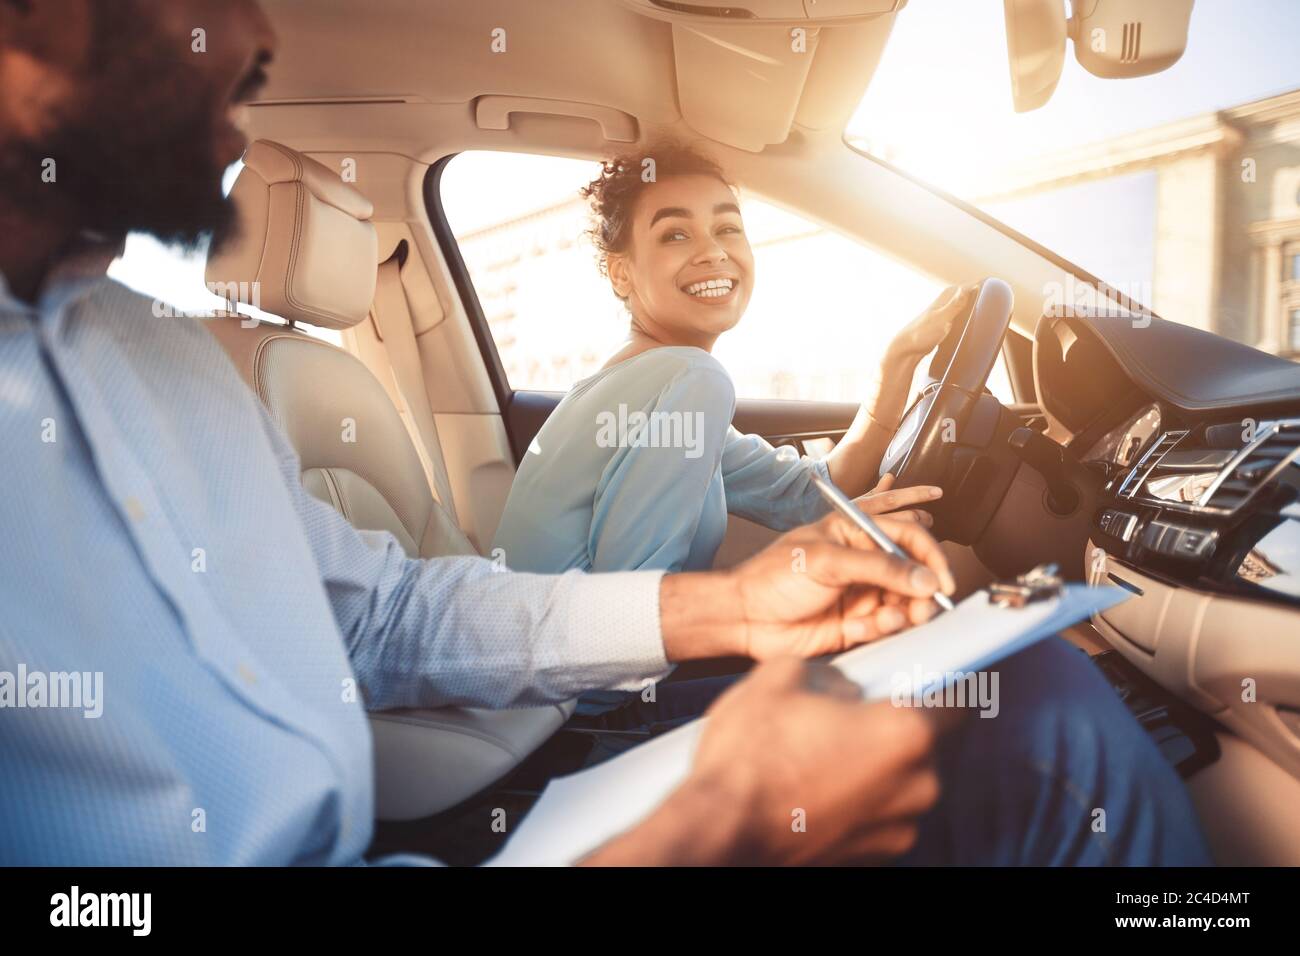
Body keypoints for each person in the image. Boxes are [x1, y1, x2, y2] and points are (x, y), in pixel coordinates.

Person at [0, 0, 1210, 866]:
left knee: (1020, 689)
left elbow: (379, 614)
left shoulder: (163, 356)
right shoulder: (674, 381)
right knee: (1039, 718)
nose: (256, 34)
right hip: (565, 739)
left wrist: (739, 603)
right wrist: (694, 832)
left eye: (728, 226)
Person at [492, 140, 975, 580]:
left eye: (727, 227)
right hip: (583, 676)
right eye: (675, 235)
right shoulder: (691, 377)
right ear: (621, 274)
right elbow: (634, 606)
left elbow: (812, 495)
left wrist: (897, 363)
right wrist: (813, 557)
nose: (713, 250)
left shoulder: (658, 382)